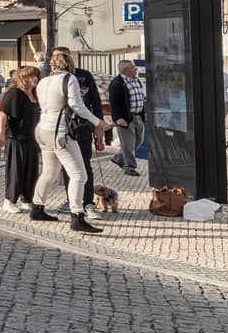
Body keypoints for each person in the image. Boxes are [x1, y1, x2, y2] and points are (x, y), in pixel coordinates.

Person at [32, 49, 113, 233]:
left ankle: (37, 207)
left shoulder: (43, 81)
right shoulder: (70, 79)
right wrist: (98, 122)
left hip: (42, 129)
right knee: (79, 175)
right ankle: (77, 216)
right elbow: (77, 106)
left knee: (49, 173)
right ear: (69, 64)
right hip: (59, 131)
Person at [50, 47, 105, 211]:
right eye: (55, 57)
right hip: (61, 126)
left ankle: (88, 201)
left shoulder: (83, 75)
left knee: (85, 164)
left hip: (82, 125)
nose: (58, 61)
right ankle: (72, 199)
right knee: (69, 166)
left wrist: (98, 125)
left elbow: (94, 100)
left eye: (61, 57)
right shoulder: (51, 78)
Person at [0, 67, 42, 214]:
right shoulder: (15, 93)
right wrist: (0, 133)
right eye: (31, 77)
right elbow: (3, 113)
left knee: (31, 170)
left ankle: (27, 199)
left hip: (32, 138)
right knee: (16, 170)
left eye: (36, 76)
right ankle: (9, 200)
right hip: (16, 137)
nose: (35, 79)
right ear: (23, 78)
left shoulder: (36, 94)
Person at [107, 60, 146, 176]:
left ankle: (119, 157)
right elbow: (114, 103)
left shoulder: (137, 81)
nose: (136, 69)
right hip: (126, 118)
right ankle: (129, 167)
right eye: (133, 67)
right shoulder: (117, 83)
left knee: (139, 141)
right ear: (126, 70)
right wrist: (118, 118)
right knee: (128, 144)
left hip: (138, 116)